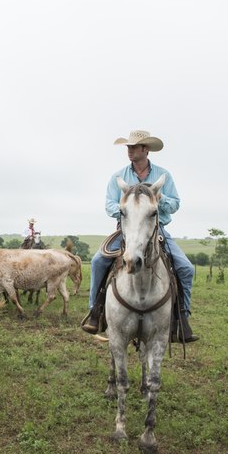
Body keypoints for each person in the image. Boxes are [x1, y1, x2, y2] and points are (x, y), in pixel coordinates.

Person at [81, 129, 198, 343]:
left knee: (185, 268)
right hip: (125, 228)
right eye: (128, 147)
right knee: (99, 261)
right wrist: (128, 210)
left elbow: (175, 204)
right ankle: (95, 311)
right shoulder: (118, 177)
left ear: (145, 150)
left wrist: (155, 202)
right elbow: (109, 205)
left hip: (156, 228)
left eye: (134, 147)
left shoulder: (164, 175)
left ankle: (181, 318)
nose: (129, 151)